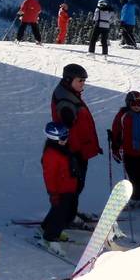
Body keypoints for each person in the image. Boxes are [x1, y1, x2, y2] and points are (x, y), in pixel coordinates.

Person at [51, 63, 101, 221]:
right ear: (68, 80)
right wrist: (73, 152)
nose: (83, 84)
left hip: (78, 149)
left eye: (84, 80)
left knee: (76, 186)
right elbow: (67, 125)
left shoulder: (69, 93)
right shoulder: (65, 101)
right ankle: (64, 219)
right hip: (72, 151)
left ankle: (71, 213)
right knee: (71, 187)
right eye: (80, 80)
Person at [40, 122, 78, 255]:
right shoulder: (51, 154)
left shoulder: (62, 148)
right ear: (54, 139)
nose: (66, 139)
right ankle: (49, 238)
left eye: (67, 136)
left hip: (69, 187)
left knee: (63, 211)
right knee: (61, 213)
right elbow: (49, 177)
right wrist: (53, 193)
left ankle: (46, 227)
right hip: (60, 190)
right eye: (63, 138)